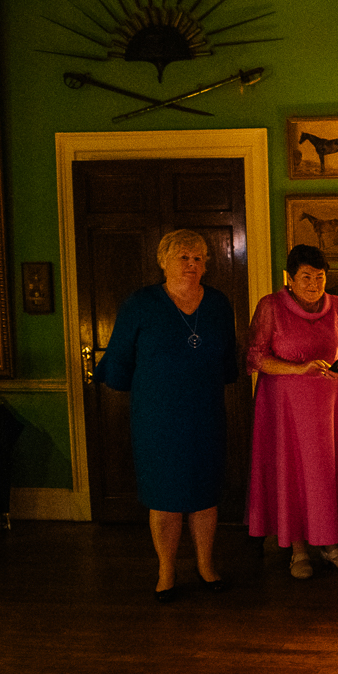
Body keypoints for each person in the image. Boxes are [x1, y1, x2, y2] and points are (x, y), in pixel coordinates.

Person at [96, 229, 239, 603]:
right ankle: (166, 570)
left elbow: (228, 363)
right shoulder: (140, 304)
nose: (192, 265)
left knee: (205, 495)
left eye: (198, 258)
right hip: (157, 417)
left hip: (206, 413)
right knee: (165, 497)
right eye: (183, 257)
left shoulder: (220, 304)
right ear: (163, 261)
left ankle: (206, 566)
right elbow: (119, 362)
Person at [246, 243, 338, 578]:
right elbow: (255, 356)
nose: (314, 283)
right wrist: (297, 369)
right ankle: (298, 550)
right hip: (286, 410)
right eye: (306, 277)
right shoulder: (271, 306)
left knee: (328, 472)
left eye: (320, 276)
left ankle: (332, 545)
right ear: (290, 278)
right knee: (294, 473)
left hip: (329, 407)